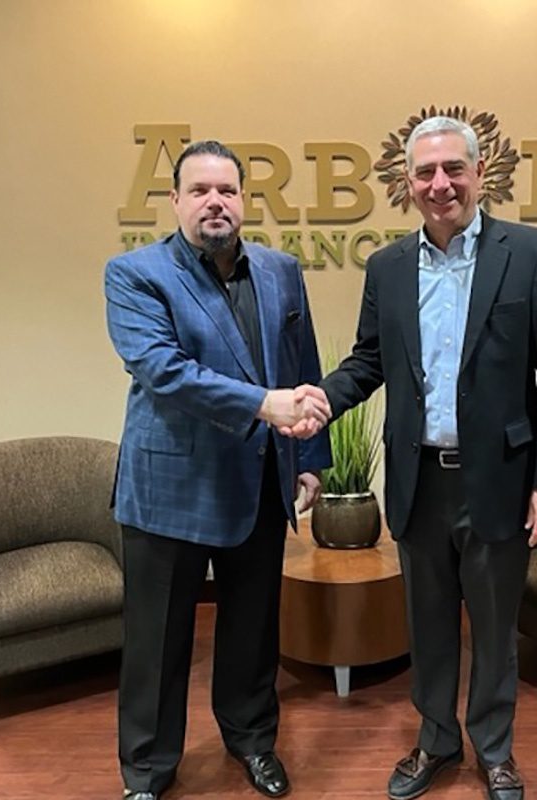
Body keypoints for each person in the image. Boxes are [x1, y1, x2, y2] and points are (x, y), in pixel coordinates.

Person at [290, 116, 537, 800]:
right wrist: (323, 399)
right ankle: (435, 741)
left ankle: (496, 750)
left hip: (501, 483)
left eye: (453, 169)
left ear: (480, 175)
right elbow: (369, 360)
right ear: (408, 183)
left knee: (494, 627)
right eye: (425, 173)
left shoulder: (531, 254)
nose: (439, 183)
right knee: (429, 626)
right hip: (419, 481)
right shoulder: (388, 267)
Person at [105, 140, 332, 800]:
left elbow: (302, 363)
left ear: (243, 200)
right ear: (175, 200)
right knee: (158, 640)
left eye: (227, 190)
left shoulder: (281, 270)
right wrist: (266, 405)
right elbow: (164, 370)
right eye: (200, 190)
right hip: (167, 487)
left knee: (253, 629)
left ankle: (253, 741)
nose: (215, 201)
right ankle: (146, 772)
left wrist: (310, 455)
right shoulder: (134, 274)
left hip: (259, 480)